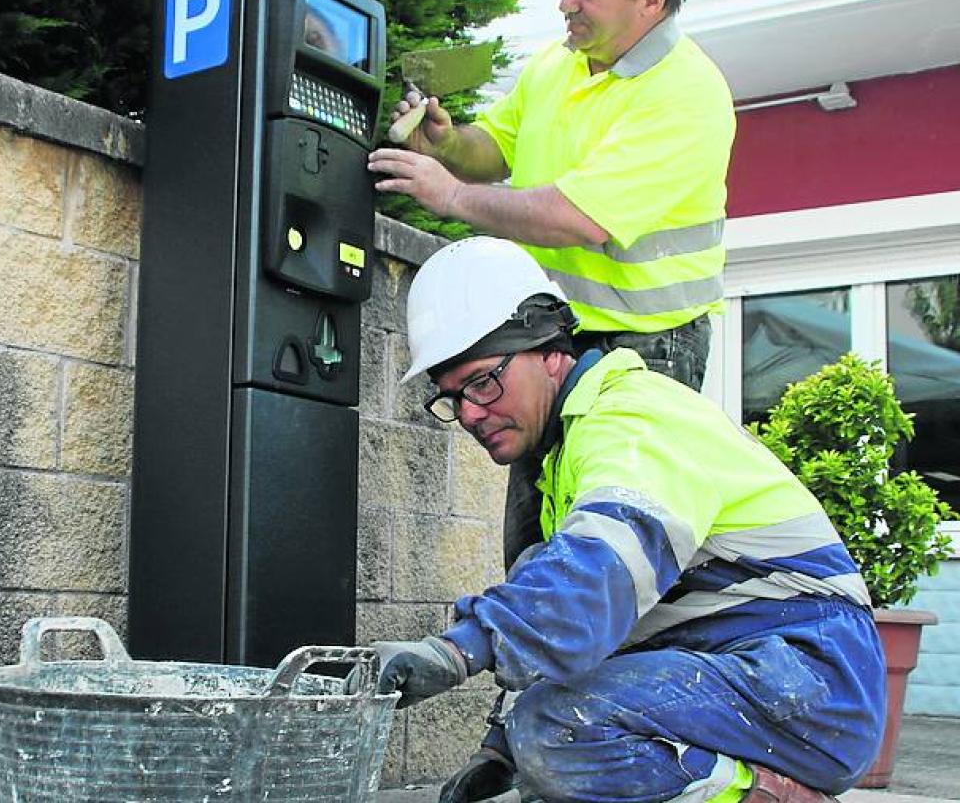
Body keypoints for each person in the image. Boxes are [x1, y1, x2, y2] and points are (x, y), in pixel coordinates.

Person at [371, 237, 886, 803]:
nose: (470, 412)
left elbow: (594, 580)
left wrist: (454, 651)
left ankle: (761, 794)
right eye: (452, 398)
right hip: (750, 669)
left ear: (549, 351)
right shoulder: (568, 455)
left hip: (809, 675)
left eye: (483, 381)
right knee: (549, 754)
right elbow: (576, 633)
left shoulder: (630, 418)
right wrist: (499, 752)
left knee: (560, 731)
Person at [369, 0, 736, 573]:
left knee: (613, 543)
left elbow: (577, 218)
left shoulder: (687, 94)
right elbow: (494, 150)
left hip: (648, 343)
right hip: (557, 337)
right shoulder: (559, 64)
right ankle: (540, 667)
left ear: (651, 1)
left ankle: (610, 671)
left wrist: (448, 196)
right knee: (537, 537)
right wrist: (448, 144)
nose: (566, 3)